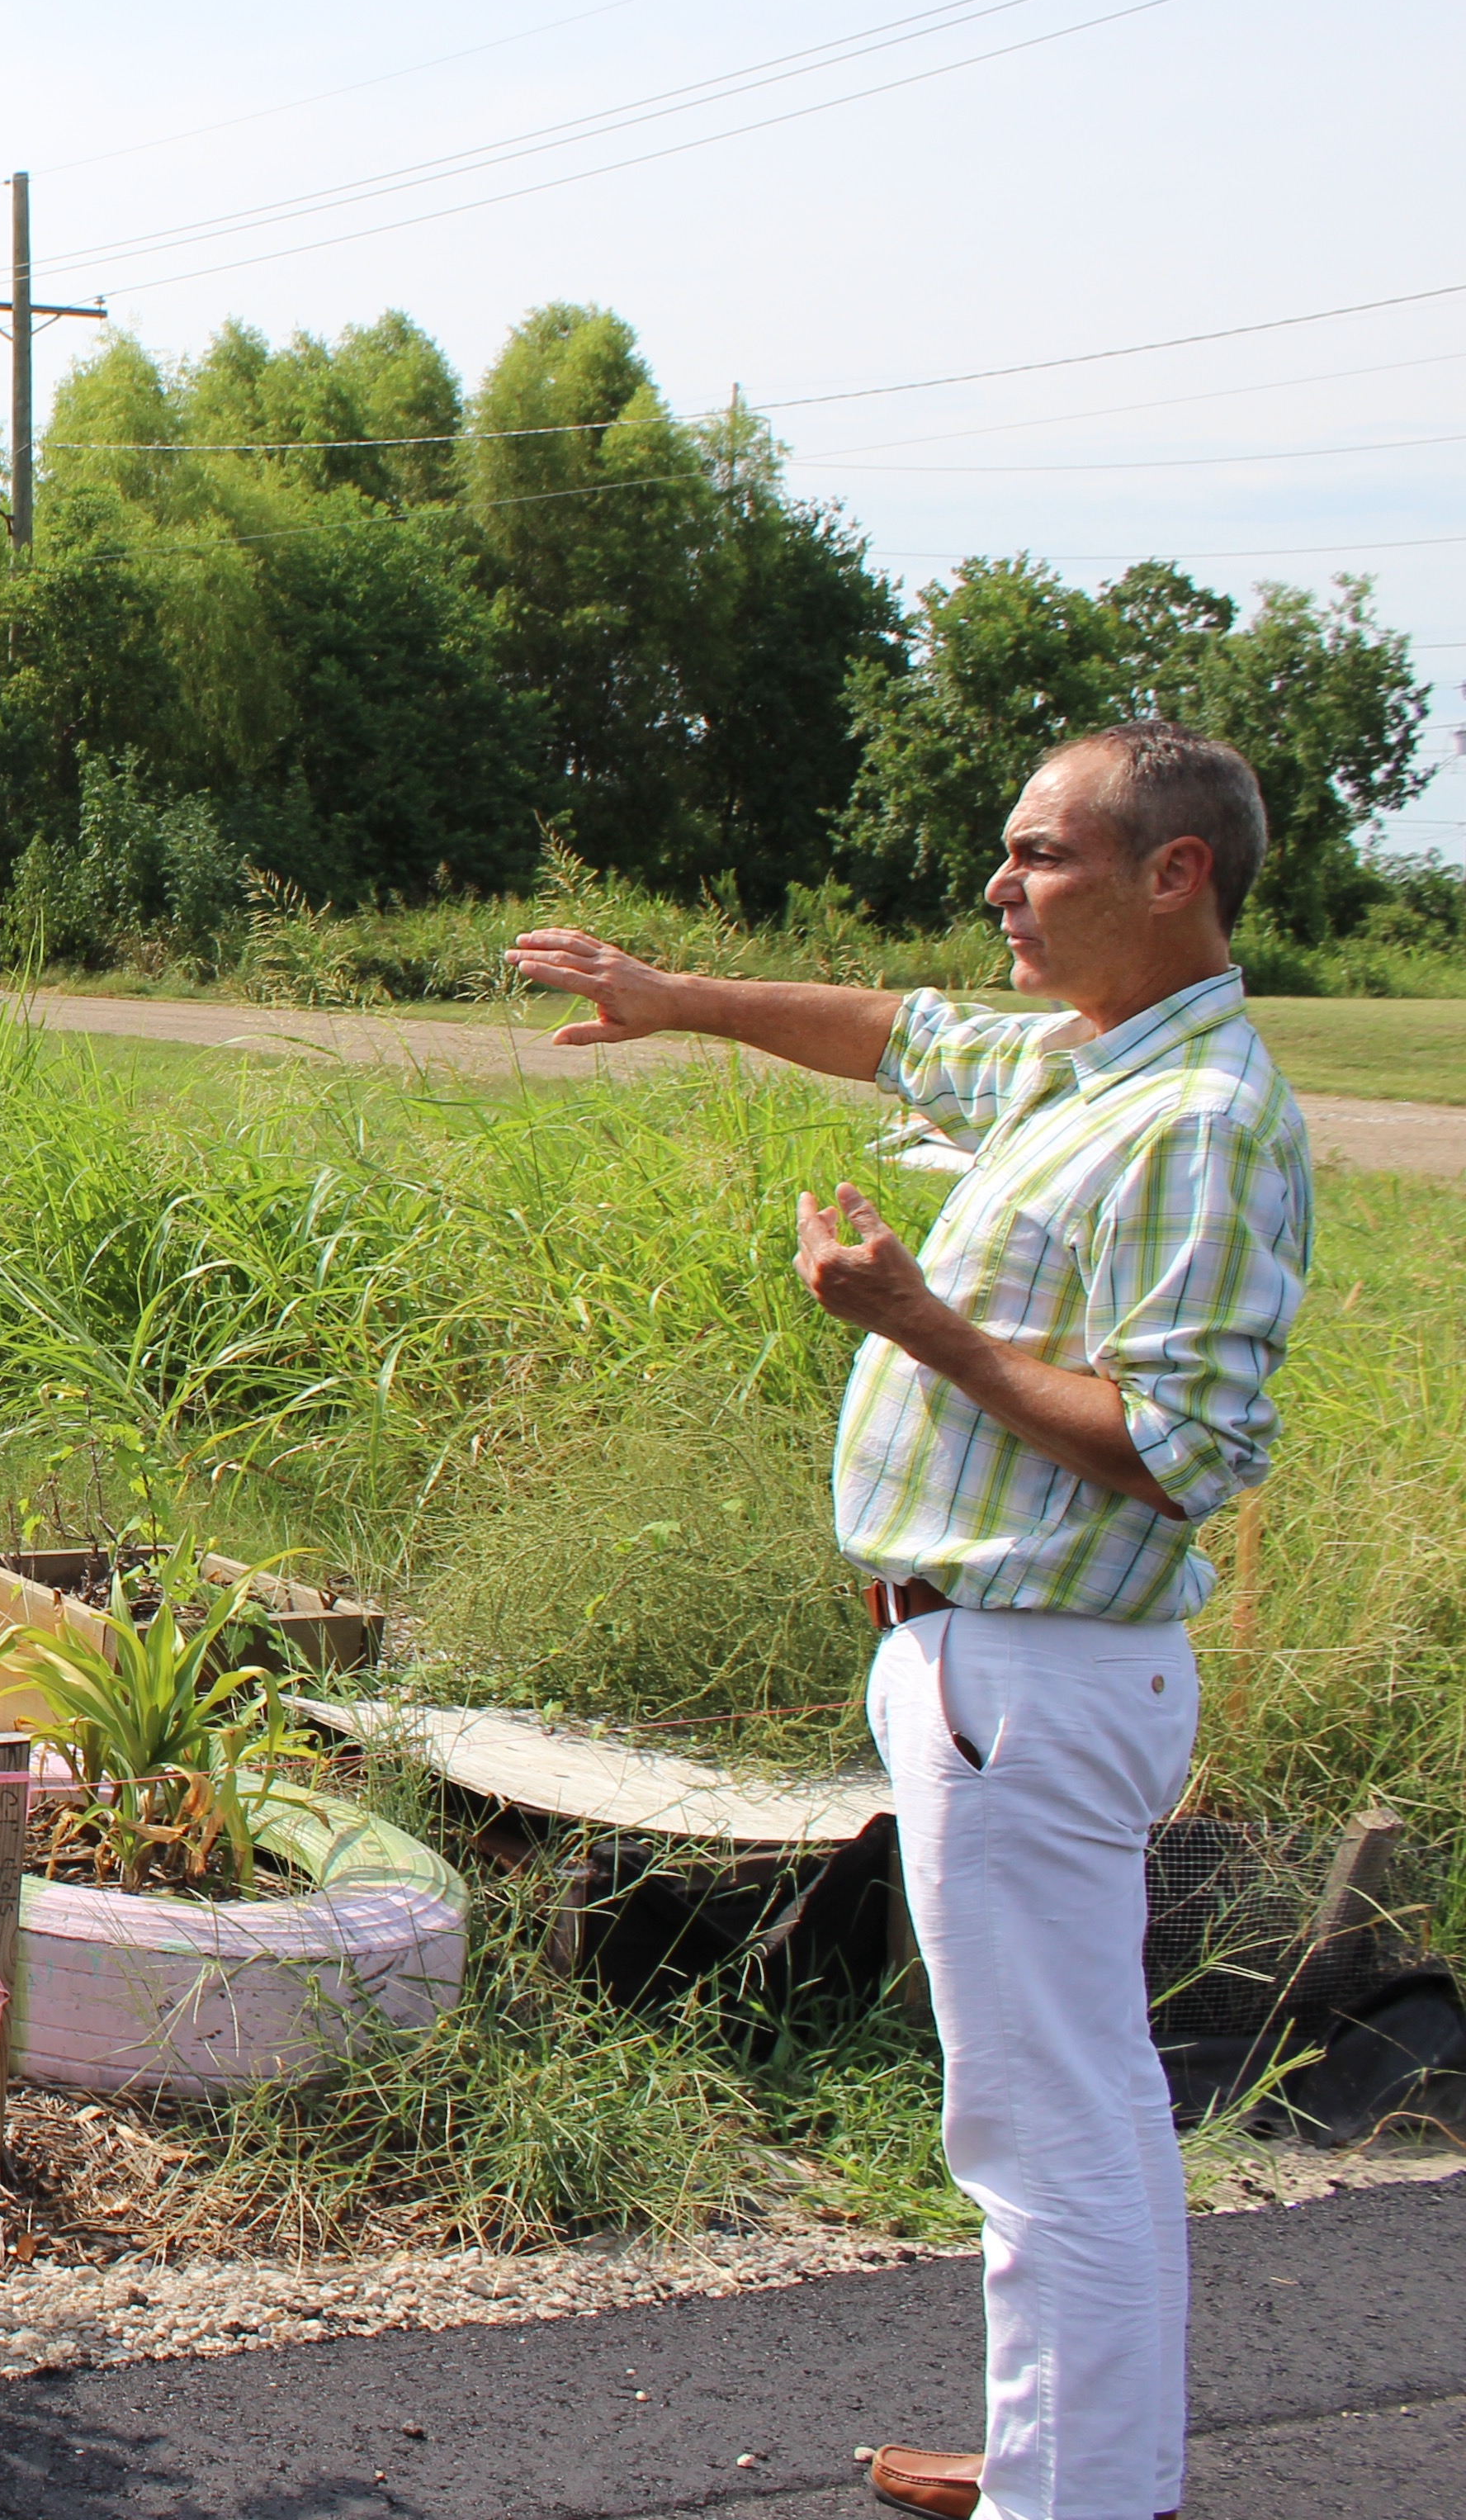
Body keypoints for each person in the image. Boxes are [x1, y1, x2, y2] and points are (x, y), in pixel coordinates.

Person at [509, 722, 1310, 2520]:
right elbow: (898, 1030)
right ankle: (1060, 2457)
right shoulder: (1081, 1064)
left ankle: (1078, 2499)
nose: (999, 888)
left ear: (1175, 873)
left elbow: (1184, 1450)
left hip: (1035, 1671)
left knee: (1048, 2126)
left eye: (1040, 856)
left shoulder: (1196, 1121)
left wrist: (918, 1322)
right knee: (1050, 2107)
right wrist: (671, 995)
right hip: (988, 1668)